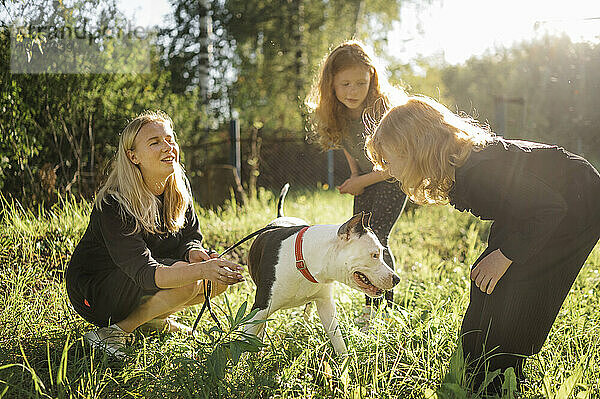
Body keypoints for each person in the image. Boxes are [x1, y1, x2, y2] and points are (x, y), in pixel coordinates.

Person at [365, 95, 600, 391]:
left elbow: (548, 209)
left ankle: (503, 373)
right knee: (486, 278)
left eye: (390, 159)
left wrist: (504, 255)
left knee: (518, 284)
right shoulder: (458, 170)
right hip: (532, 210)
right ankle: (475, 361)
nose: (387, 168)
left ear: (414, 149)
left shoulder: (481, 172)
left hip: (575, 204)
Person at [66, 111, 245, 359]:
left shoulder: (177, 190)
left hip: (140, 279)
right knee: (190, 280)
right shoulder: (115, 204)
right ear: (133, 156)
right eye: (155, 142)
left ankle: (151, 320)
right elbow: (145, 271)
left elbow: (190, 236)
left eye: (170, 139)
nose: (167, 147)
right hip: (96, 291)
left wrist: (194, 252)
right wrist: (200, 270)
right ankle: (112, 333)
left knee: (216, 282)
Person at [306, 40, 408, 326]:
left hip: (391, 180)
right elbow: (347, 146)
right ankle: (374, 301)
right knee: (361, 235)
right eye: (345, 84)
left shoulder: (381, 110)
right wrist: (354, 177)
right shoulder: (336, 113)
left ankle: (379, 309)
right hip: (366, 178)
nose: (353, 91)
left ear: (372, 79)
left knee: (377, 236)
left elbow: (395, 166)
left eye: (360, 83)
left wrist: (361, 180)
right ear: (332, 85)